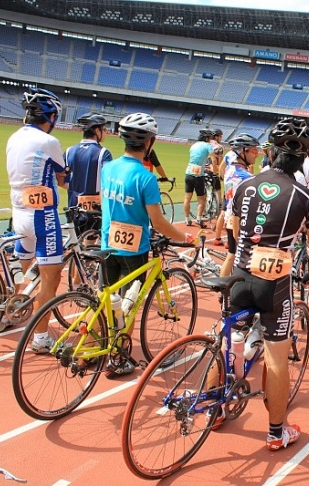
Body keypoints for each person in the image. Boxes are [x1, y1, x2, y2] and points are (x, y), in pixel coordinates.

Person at [230, 116, 309, 450]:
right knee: (276, 359)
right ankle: (275, 433)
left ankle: (214, 406)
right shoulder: (306, 197)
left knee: (229, 342)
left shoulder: (244, 186)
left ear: (270, 152)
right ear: (303, 160)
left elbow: (234, 232)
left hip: (239, 276)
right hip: (275, 285)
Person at [100, 113, 188, 377]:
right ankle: (119, 357)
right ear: (149, 142)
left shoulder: (108, 168)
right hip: (133, 250)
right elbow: (158, 221)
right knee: (129, 304)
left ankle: (101, 346)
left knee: (107, 301)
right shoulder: (146, 177)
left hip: (107, 243)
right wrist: (185, 238)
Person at [6, 88, 67, 337]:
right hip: (42, 215)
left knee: (21, 267)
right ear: (50, 116)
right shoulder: (48, 141)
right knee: (51, 278)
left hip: (18, 212)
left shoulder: (13, 137)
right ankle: (40, 338)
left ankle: (8, 312)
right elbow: (63, 176)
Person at [64, 112, 113, 234]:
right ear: (97, 130)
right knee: (90, 243)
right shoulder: (103, 153)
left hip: (73, 205)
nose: (105, 132)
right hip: (94, 208)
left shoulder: (69, 151)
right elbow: (108, 181)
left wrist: (74, 191)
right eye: (104, 129)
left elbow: (61, 178)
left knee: (77, 242)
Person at [220, 133, 259, 277]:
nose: (257, 154)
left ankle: (221, 289)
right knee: (243, 259)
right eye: (254, 150)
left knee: (232, 254)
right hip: (241, 222)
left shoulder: (230, 170)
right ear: (242, 151)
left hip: (230, 217)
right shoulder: (244, 177)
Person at [183, 128, 215, 227]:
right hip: (198, 176)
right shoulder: (207, 145)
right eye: (210, 138)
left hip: (188, 173)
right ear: (206, 138)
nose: (210, 140)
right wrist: (215, 171)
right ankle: (199, 218)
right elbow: (213, 159)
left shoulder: (193, 145)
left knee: (187, 198)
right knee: (201, 199)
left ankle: (187, 219)